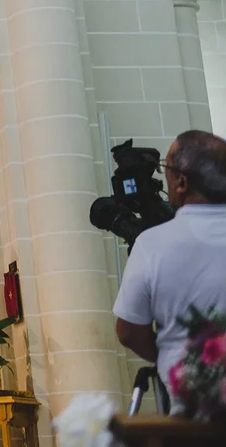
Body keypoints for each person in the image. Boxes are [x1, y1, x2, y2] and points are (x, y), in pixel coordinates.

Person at [114, 129, 226, 401]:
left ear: (182, 183)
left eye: (167, 168)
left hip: (195, 414)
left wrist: (171, 357)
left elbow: (128, 331)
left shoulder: (152, 244)